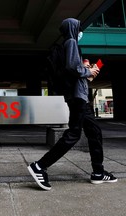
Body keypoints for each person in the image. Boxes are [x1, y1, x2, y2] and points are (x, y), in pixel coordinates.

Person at [27, 18, 117, 191]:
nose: (80, 31)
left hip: (80, 96)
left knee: (94, 132)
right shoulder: (71, 41)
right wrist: (88, 70)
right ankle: (40, 166)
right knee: (73, 134)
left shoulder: (70, 43)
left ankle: (98, 172)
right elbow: (72, 67)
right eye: (79, 27)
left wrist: (87, 73)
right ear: (73, 28)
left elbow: (75, 69)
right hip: (78, 98)